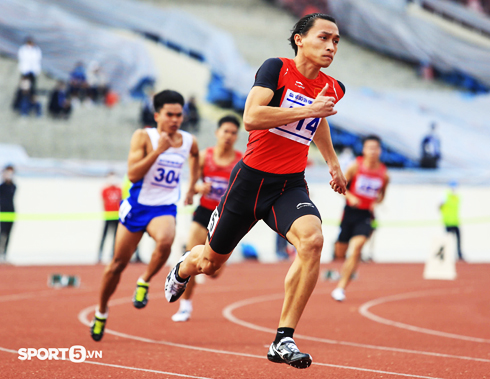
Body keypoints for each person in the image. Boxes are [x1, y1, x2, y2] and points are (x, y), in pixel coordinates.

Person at [164, 13, 347, 369]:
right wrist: (309, 108)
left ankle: (283, 338)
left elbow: (318, 121)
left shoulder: (333, 87)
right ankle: (183, 269)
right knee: (211, 263)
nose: (331, 46)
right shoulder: (275, 69)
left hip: (288, 185)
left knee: (312, 241)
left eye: (336, 41)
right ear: (299, 39)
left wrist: (333, 163)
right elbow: (251, 116)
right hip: (249, 182)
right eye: (324, 38)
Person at [90, 90, 199, 341]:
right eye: (169, 115)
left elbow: (195, 157)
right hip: (138, 206)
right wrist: (157, 151)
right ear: (157, 115)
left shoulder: (188, 141)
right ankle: (101, 311)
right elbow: (134, 174)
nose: (174, 120)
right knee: (117, 264)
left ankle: (144, 280)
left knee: (165, 241)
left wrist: (192, 186)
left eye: (179, 115)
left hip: (164, 207)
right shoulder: (143, 136)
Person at [172, 115, 242, 322]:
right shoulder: (204, 157)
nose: (228, 136)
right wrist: (198, 187)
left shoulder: (241, 161)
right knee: (192, 259)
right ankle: (185, 305)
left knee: (213, 272)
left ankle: (215, 258)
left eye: (233, 132)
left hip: (226, 218)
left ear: (237, 136)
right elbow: (191, 185)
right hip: (203, 213)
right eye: (225, 131)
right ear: (217, 133)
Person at [331, 135, 389, 302]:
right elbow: (340, 186)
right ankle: (343, 269)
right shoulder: (355, 167)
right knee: (340, 252)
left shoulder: (384, 174)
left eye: (376, 148)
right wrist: (350, 197)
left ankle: (340, 288)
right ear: (364, 150)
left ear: (380, 151)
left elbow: (382, 195)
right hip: (349, 212)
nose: (373, 151)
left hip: (365, 215)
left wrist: (375, 203)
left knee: (357, 248)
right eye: (369, 148)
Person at [98, 172, 122, 263]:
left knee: (116, 237)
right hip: (108, 216)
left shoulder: (119, 189)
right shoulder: (105, 190)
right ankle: (100, 254)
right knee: (104, 235)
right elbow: (104, 202)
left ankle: (113, 254)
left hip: (117, 216)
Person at [440, 180, 464, 261]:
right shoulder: (446, 196)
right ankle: (446, 255)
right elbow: (440, 206)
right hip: (448, 222)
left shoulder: (457, 197)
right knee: (448, 241)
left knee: (458, 240)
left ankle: (459, 255)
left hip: (455, 222)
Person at [0, 166, 16, 262]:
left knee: (8, 234)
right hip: (3, 212)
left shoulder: (13, 186)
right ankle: (1, 252)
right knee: (3, 233)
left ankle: (5, 253)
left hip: (11, 212)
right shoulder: (2, 187)